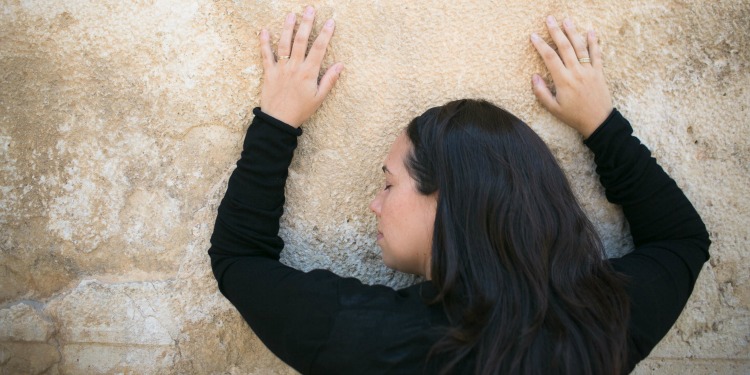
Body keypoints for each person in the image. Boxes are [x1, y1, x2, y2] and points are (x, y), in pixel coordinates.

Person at [208, 7, 710, 375]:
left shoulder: (370, 339)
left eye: (388, 183)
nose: (375, 203)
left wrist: (276, 122)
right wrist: (600, 124)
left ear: (446, 198)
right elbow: (681, 240)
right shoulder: (603, 325)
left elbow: (238, 259)